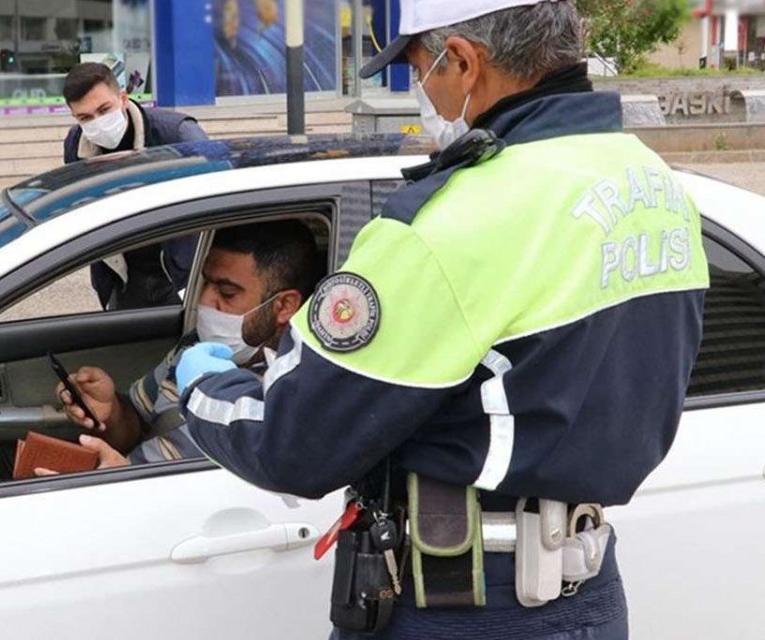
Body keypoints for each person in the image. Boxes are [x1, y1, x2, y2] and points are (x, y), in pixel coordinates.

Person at [173, 2, 710, 639]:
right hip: (588, 596)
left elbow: (292, 446)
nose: (420, 94)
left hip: (465, 608)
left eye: (418, 70)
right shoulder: (652, 180)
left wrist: (200, 383)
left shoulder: (450, 222)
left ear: (462, 61)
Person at [43, 220, 321, 474]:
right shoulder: (196, 348)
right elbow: (140, 422)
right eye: (205, 282)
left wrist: (120, 480)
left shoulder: (284, 398)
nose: (205, 300)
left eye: (227, 292)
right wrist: (112, 411)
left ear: (283, 306)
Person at [61, 62, 209, 311]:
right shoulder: (76, 145)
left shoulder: (178, 136)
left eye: (104, 109)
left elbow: (215, 203)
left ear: (123, 98)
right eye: (85, 117)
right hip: (122, 280)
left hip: (181, 276)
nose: (98, 122)